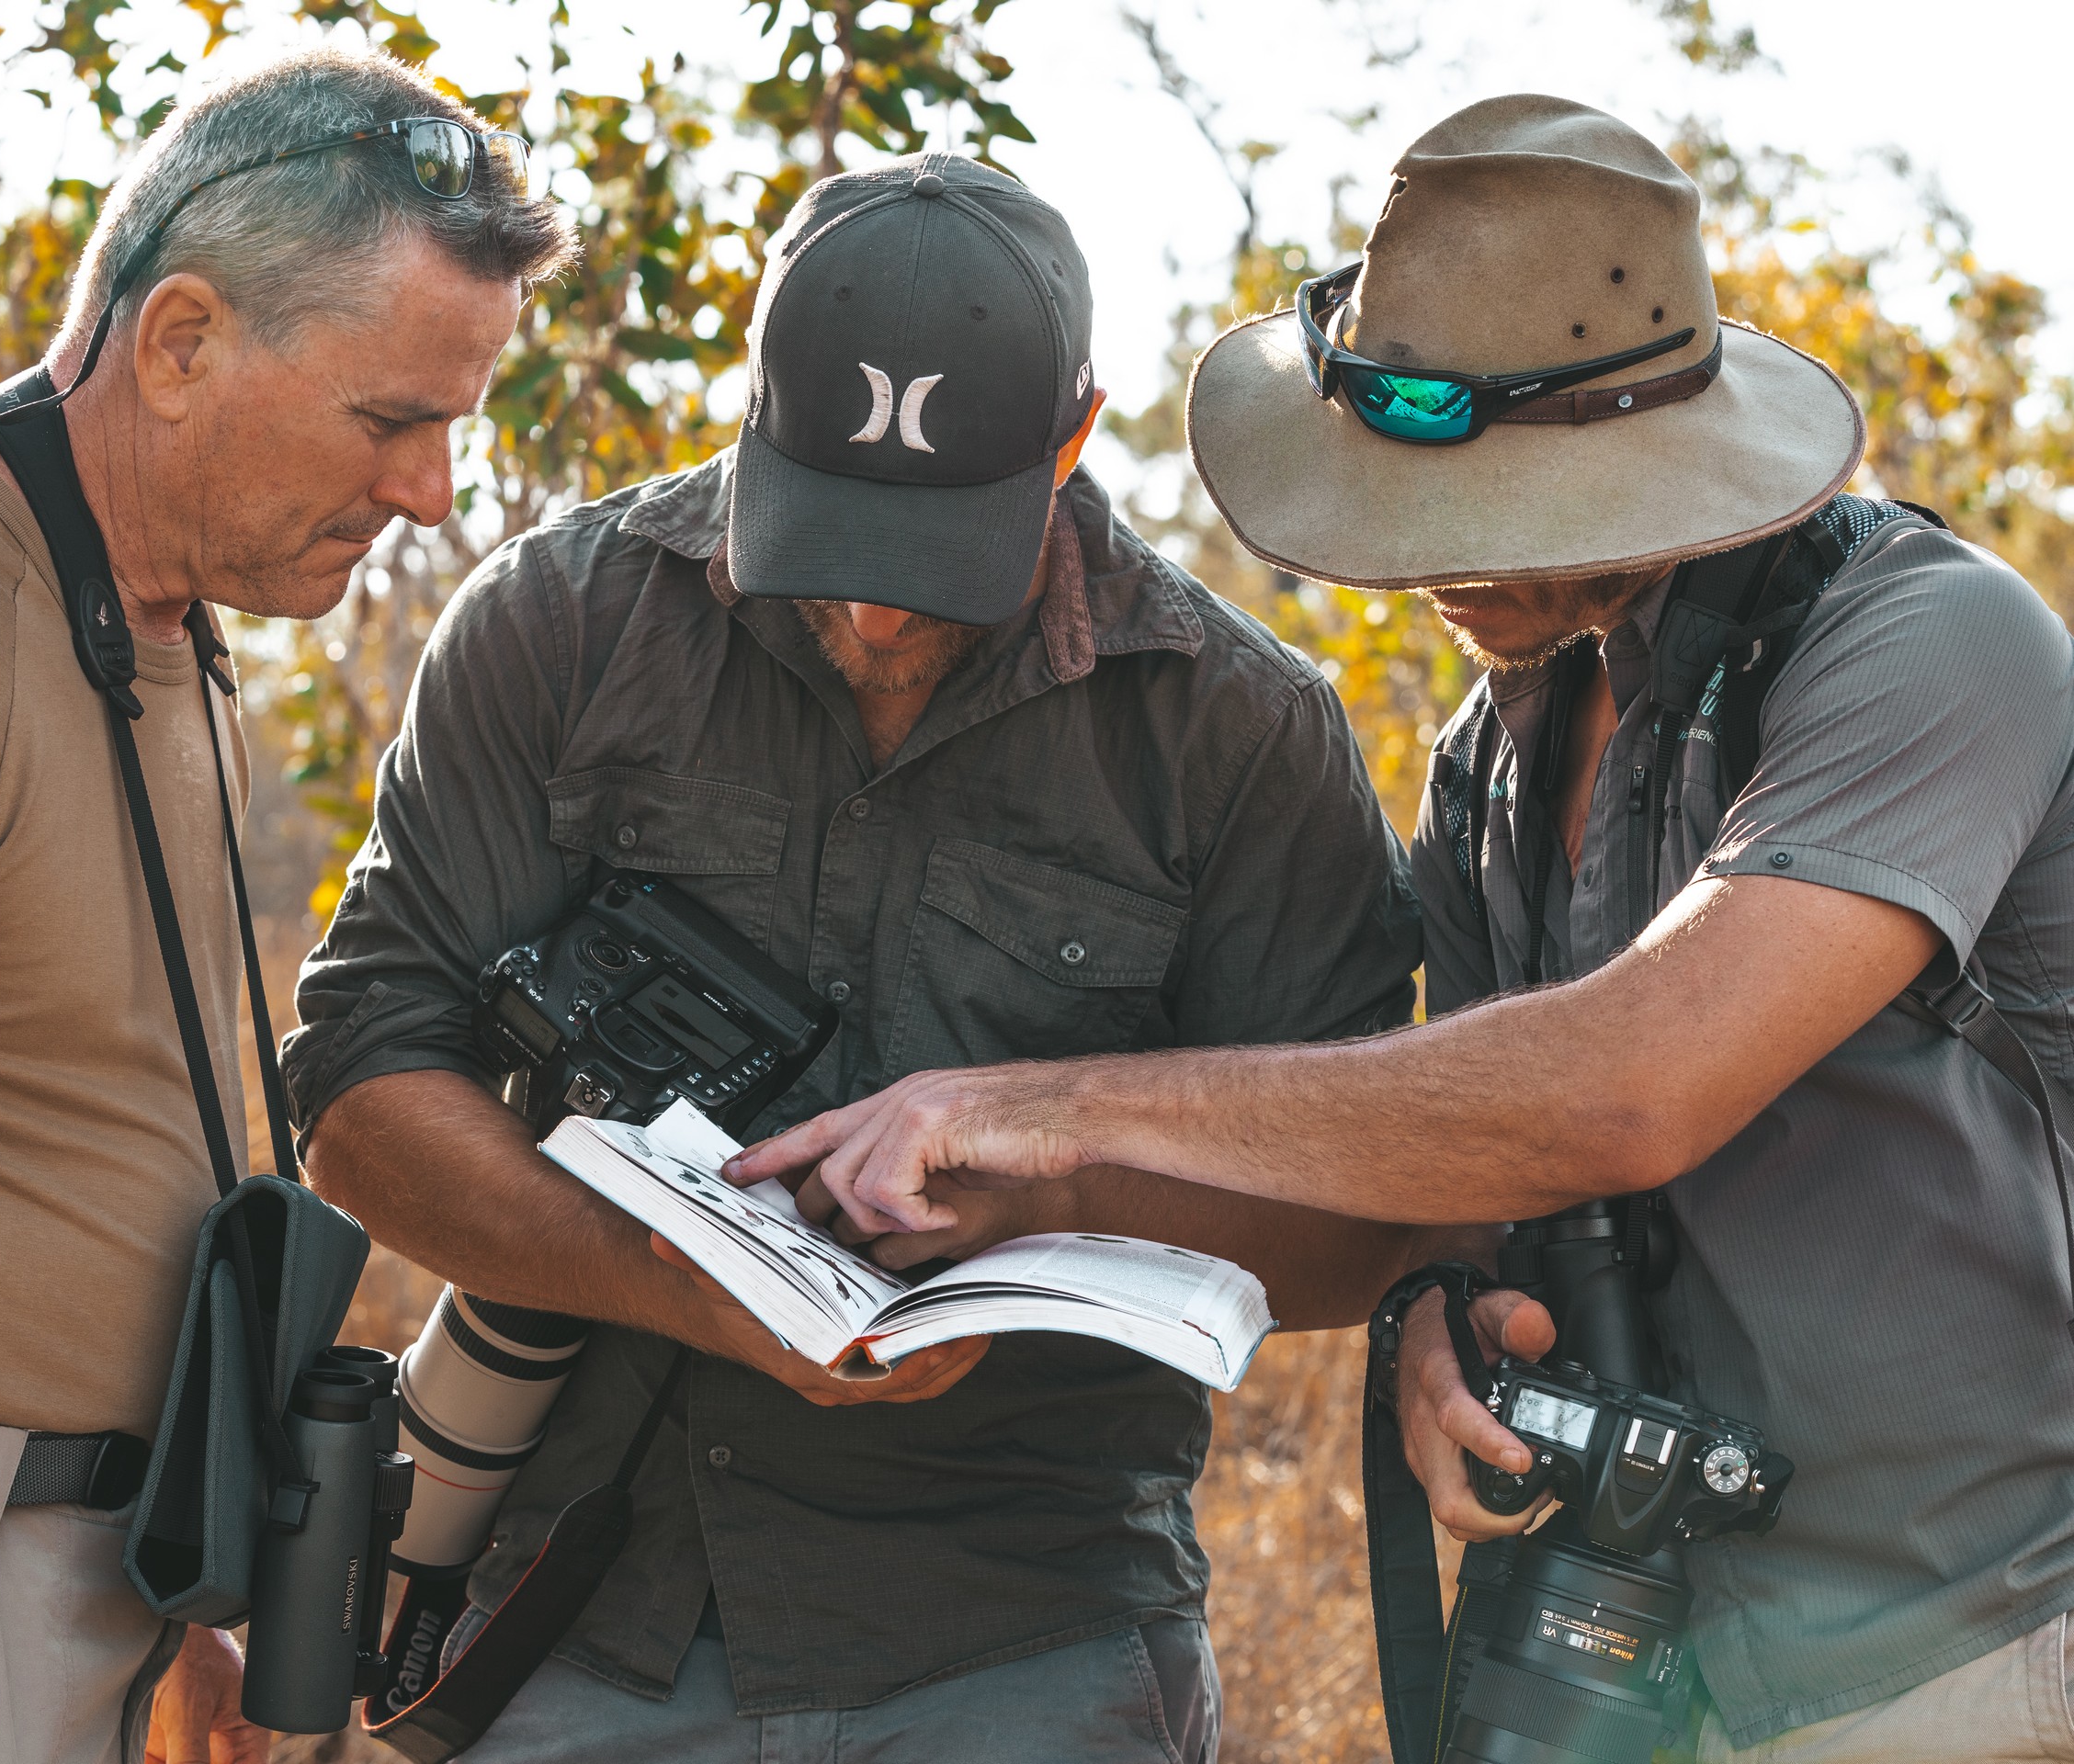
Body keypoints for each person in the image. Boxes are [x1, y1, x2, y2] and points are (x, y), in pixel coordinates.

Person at [735, 96, 2074, 1763]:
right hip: (1672, 1677)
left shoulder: (1938, 647)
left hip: (1991, 1655)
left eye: (1504, 502)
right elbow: (1483, 1152)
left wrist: (1048, 1103)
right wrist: (1437, 1315)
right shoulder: (1492, 756)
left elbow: (1630, 1085)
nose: (1429, 566)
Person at [284, 152, 1449, 1764]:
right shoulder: (564, 626)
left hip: (1026, 1639)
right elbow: (356, 1082)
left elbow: (1360, 1231)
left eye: (937, 562)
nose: (885, 624)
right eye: (832, 543)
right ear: (750, 409)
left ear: (1074, 437)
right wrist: (673, 1287)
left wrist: (1050, 1176)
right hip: (576, 1612)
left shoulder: (1235, 734)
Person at [0, 46, 572, 1764]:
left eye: (452, 428)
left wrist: (178, 1594)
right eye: (390, 419)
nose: (428, 494)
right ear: (181, 342)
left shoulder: (164, 625)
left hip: (75, 1581)